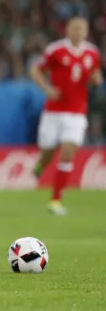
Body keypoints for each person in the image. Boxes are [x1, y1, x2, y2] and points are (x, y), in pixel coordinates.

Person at [30, 17, 102, 215]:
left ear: (86, 32)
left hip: (77, 112)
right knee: (48, 153)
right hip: (53, 111)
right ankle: (40, 166)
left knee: (68, 152)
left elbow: (95, 75)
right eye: (74, 28)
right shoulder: (56, 50)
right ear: (67, 30)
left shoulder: (92, 52)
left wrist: (96, 80)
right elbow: (36, 70)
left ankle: (55, 200)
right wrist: (47, 89)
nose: (78, 32)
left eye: (81, 29)